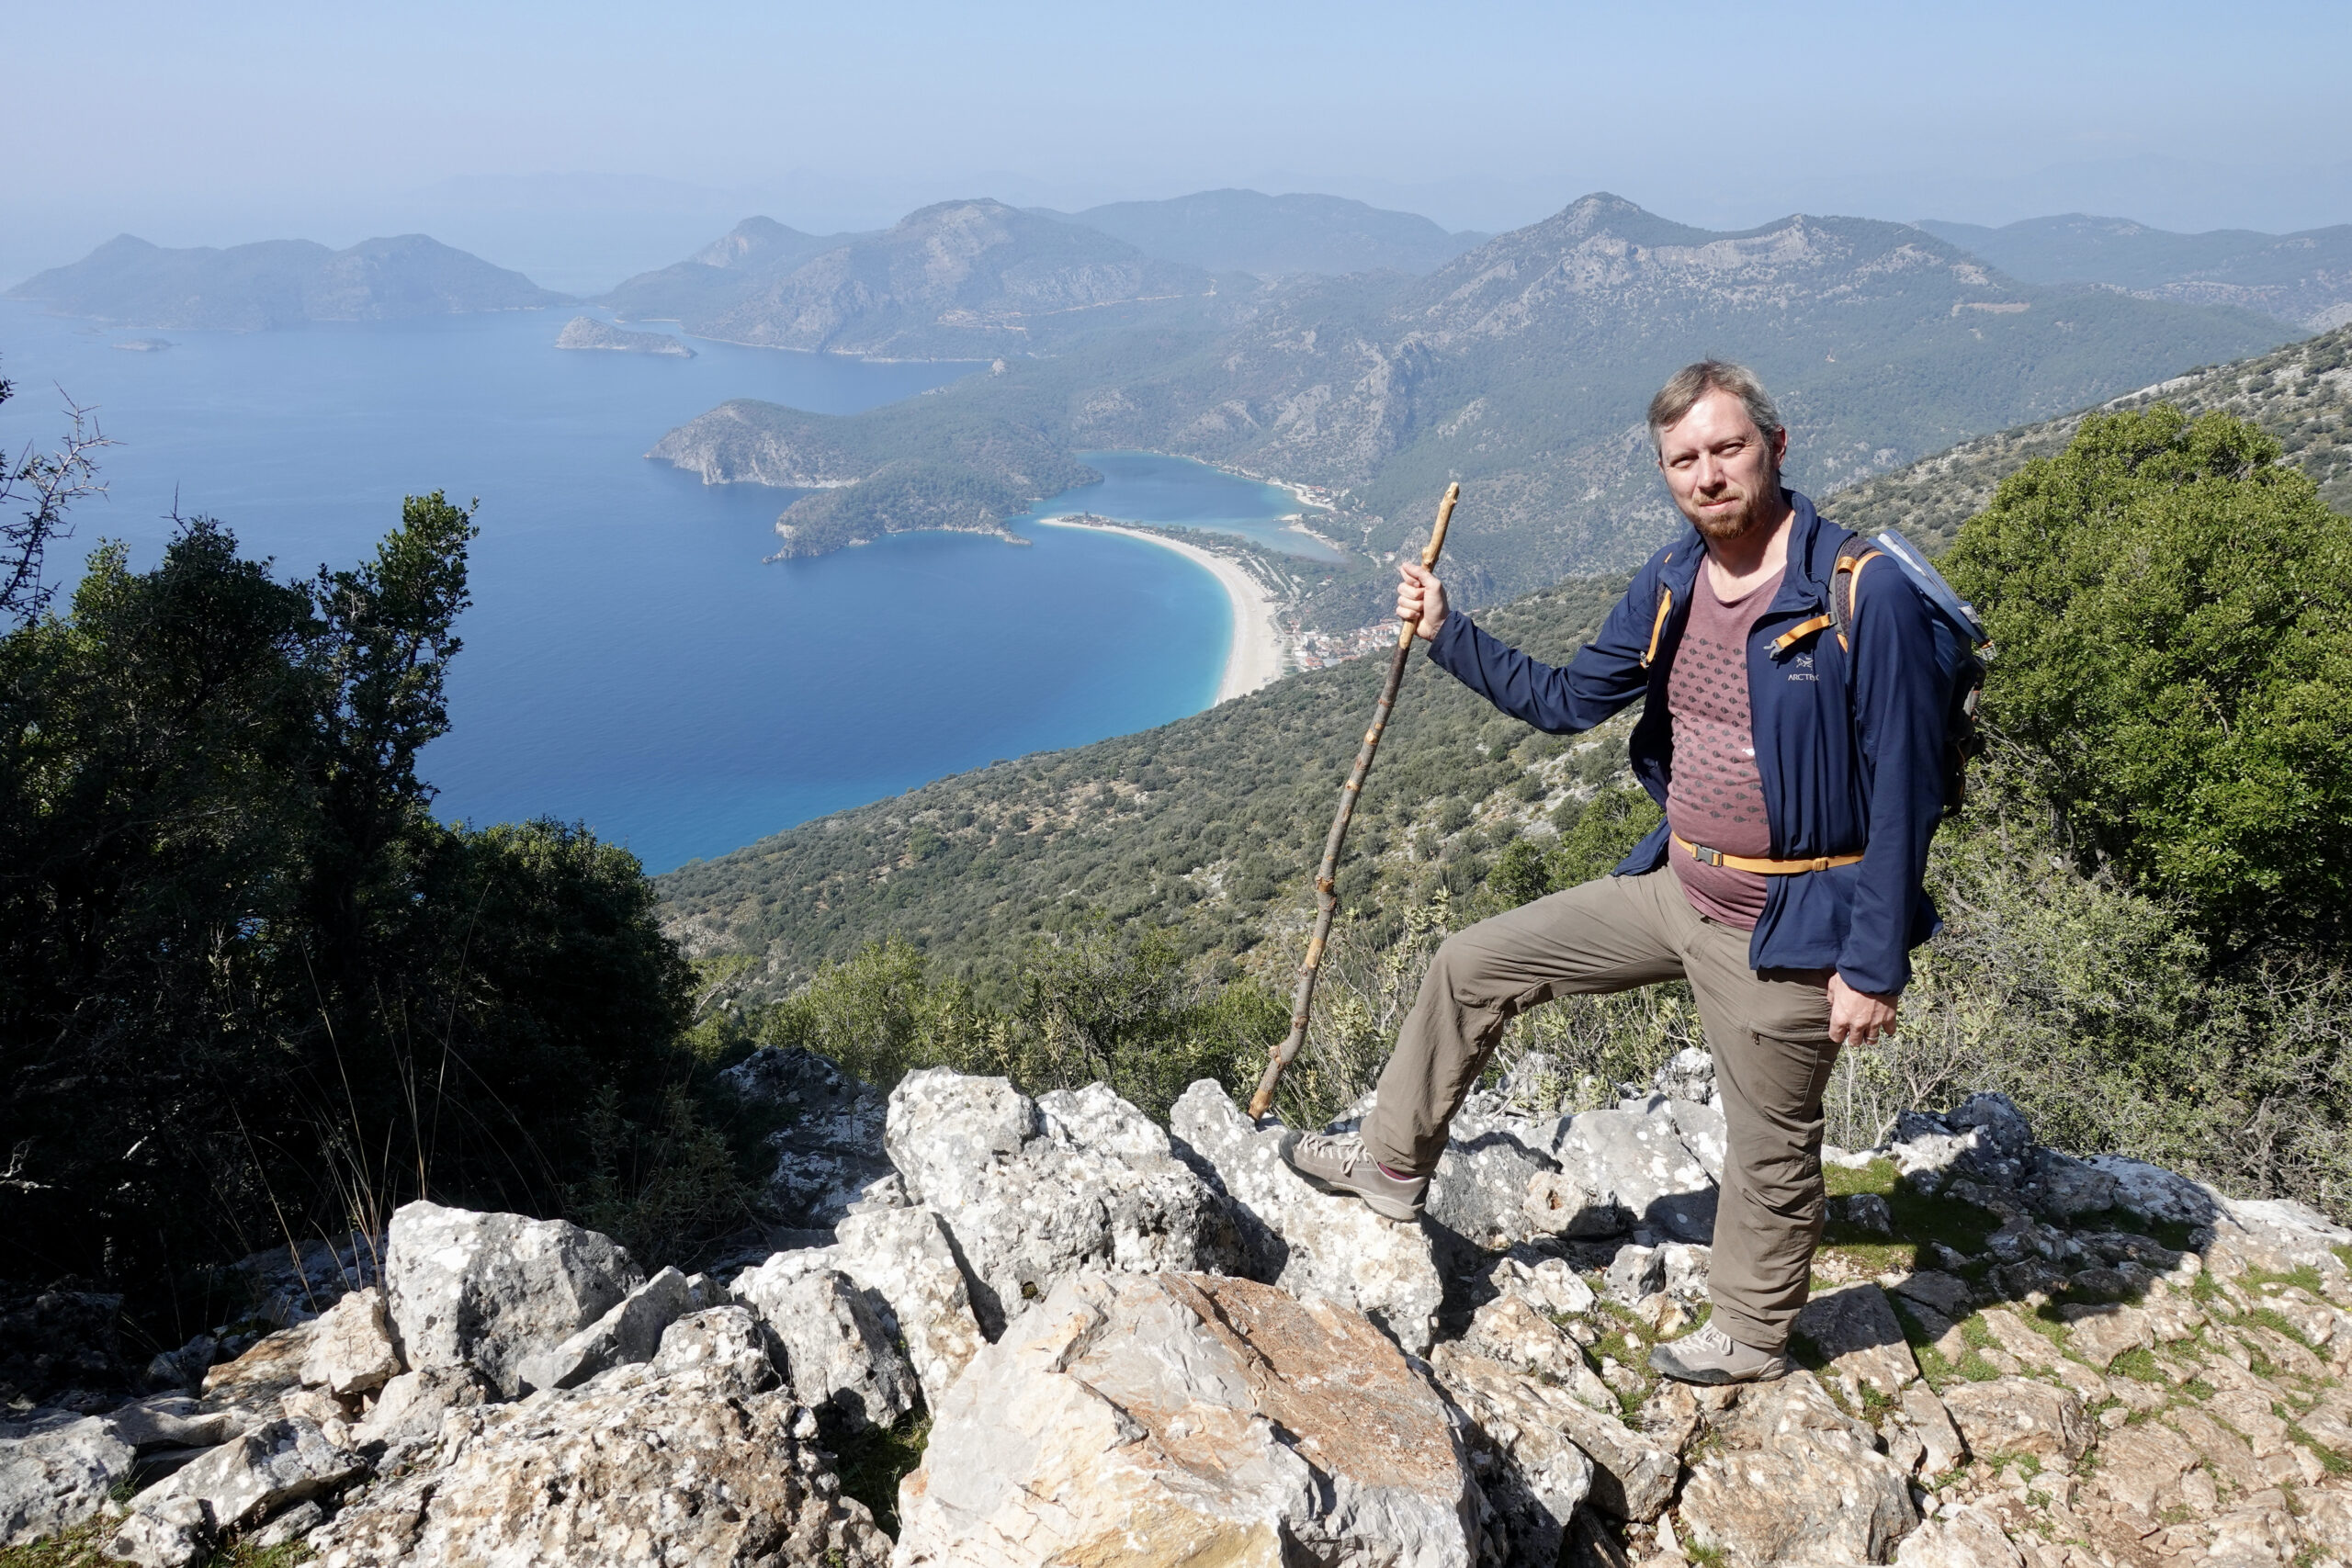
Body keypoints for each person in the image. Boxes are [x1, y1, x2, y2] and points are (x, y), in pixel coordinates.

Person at [1280, 360, 1949, 1384]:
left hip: (1788, 923)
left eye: (1727, 449)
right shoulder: (1673, 581)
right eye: (1683, 460)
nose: (1707, 474)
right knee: (1471, 962)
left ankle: (1751, 1336)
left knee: (1767, 1144)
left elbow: (1906, 785)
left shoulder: (1862, 591)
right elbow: (1565, 701)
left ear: (1776, 446)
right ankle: (1387, 1163)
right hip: (1675, 885)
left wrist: (1874, 963)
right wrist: (1446, 632)